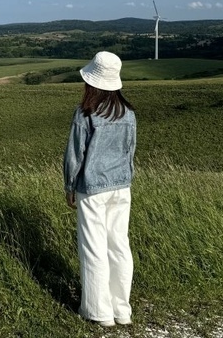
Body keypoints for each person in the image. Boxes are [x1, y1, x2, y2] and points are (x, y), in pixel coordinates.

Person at [63, 51, 137, 327]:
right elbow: (130, 152)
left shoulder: (86, 113)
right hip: (122, 186)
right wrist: (126, 178)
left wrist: (70, 185)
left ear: (91, 82)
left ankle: (98, 311)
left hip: (92, 188)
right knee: (119, 245)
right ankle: (122, 309)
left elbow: (75, 155)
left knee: (93, 248)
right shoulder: (128, 113)